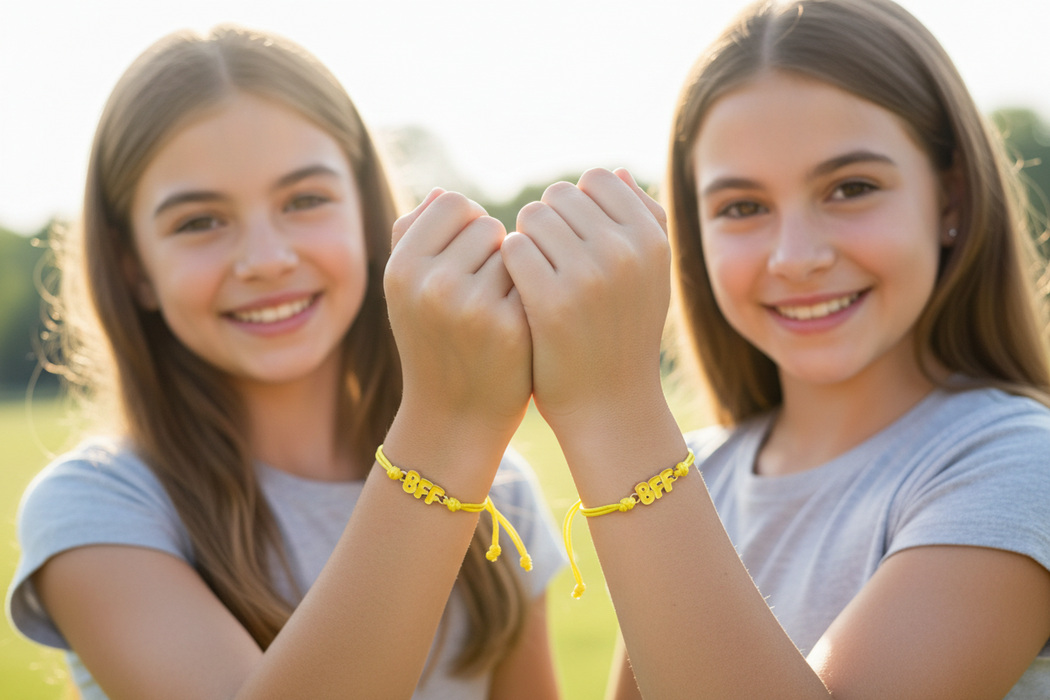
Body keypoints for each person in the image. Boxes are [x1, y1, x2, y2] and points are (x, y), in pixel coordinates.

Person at [498, 0, 1050, 698]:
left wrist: (614, 408)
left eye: (851, 188)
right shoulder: (693, 473)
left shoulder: (1021, 463)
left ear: (950, 199)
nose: (795, 257)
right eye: (742, 207)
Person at [4, 27, 564, 700]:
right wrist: (447, 425)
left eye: (304, 201)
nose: (266, 258)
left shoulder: (498, 488)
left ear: (366, 216)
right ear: (135, 270)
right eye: (198, 222)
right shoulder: (99, 508)